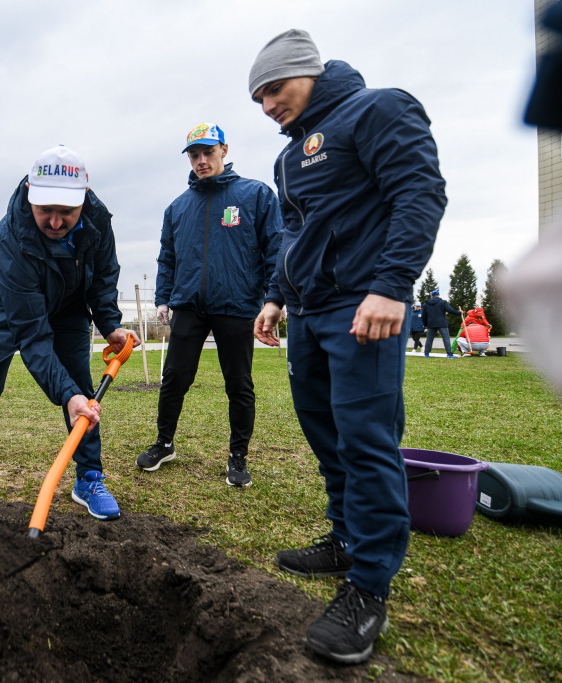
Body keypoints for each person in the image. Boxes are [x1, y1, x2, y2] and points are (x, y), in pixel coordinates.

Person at [249, 29, 447, 664]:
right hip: (306, 312)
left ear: (307, 72)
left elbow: (419, 192)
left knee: (365, 438)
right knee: (324, 432)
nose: (268, 105)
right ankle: (344, 539)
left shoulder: (379, 107)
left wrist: (392, 286)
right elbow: (294, 233)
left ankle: (368, 587)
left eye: (274, 89)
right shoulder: (287, 158)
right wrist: (277, 297)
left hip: (366, 306)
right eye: (258, 98)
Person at [0, 145, 140, 523]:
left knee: (80, 383)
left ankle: (89, 478)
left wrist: (110, 324)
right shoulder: (12, 242)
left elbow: (104, 274)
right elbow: (33, 337)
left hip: (68, 300)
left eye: (67, 212)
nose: (57, 222)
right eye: (46, 210)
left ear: (85, 198)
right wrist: (66, 396)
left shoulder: (98, 221)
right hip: (2, 305)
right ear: (29, 192)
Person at [136, 122, 281, 487]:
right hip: (188, 306)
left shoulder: (256, 195)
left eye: (208, 153)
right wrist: (163, 299)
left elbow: (276, 250)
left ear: (224, 151)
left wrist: (273, 299)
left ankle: (238, 457)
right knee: (174, 379)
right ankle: (164, 443)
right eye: (194, 155)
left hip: (236, 305)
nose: (201, 161)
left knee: (239, 383)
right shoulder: (178, 207)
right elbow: (166, 257)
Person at [421, 289, 461, 358]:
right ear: (438, 295)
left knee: (429, 339)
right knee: (446, 339)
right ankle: (449, 354)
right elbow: (450, 310)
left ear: (432, 296)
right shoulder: (443, 302)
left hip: (431, 323)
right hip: (442, 323)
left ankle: (426, 353)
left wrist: (426, 325)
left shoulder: (426, 304)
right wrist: (459, 313)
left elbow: (424, 316)